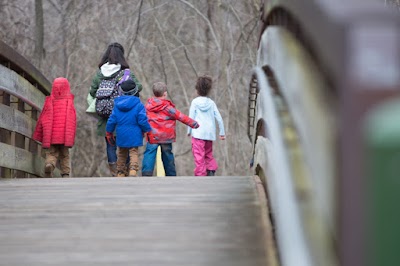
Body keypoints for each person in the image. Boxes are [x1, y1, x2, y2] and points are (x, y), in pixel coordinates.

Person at [88, 42, 142, 176]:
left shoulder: (100, 73)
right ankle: (128, 170)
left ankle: (115, 171)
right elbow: (138, 86)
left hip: (105, 115)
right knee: (126, 144)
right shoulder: (125, 73)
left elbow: (93, 91)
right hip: (124, 115)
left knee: (110, 144)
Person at [142, 82, 199, 176]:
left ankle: (146, 174)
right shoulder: (168, 108)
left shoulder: (147, 107)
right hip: (166, 136)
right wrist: (194, 124)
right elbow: (181, 116)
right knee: (167, 155)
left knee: (149, 154)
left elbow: (142, 118)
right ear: (165, 93)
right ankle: (171, 174)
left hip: (152, 135)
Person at [105, 79, 151, 177]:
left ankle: (120, 172)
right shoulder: (138, 105)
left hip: (121, 133)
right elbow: (142, 120)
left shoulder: (117, 105)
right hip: (135, 133)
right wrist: (147, 130)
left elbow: (112, 120)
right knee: (133, 152)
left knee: (121, 153)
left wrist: (109, 132)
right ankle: (133, 170)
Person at [33, 77, 77, 177]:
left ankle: (50, 165)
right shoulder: (69, 102)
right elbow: (72, 121)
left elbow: (42, 119)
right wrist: (70, 138)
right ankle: (65, 173)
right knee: (65, 155)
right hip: (64, 136)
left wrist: (39, 134)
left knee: (51, 153)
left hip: (51, 136)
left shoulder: (49, 101)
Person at [187, 75, 225, 176]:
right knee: (208, 153)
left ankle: (200, 175)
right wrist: (222, 132)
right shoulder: (211, 103)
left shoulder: (195, 102)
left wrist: (189, 131)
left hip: (198, 133)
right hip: (209, 133)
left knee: (199, 155)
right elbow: (219, 118)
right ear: (209, 90)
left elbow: (190, 118)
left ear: (197, 90)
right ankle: (211, 169)